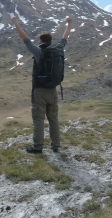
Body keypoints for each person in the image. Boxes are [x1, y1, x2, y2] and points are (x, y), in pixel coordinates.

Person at [11, 15, 73, 154]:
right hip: (52, 90)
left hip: (39, 91)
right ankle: (55, 145)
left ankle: (38, 147)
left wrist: (16, 24)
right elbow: (65, 37)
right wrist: (69, 24)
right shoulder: (57, 49)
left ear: (40, 41)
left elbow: (25, 39)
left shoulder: (39, 51)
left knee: (39, 120)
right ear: (50, 41)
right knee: (53, 119)